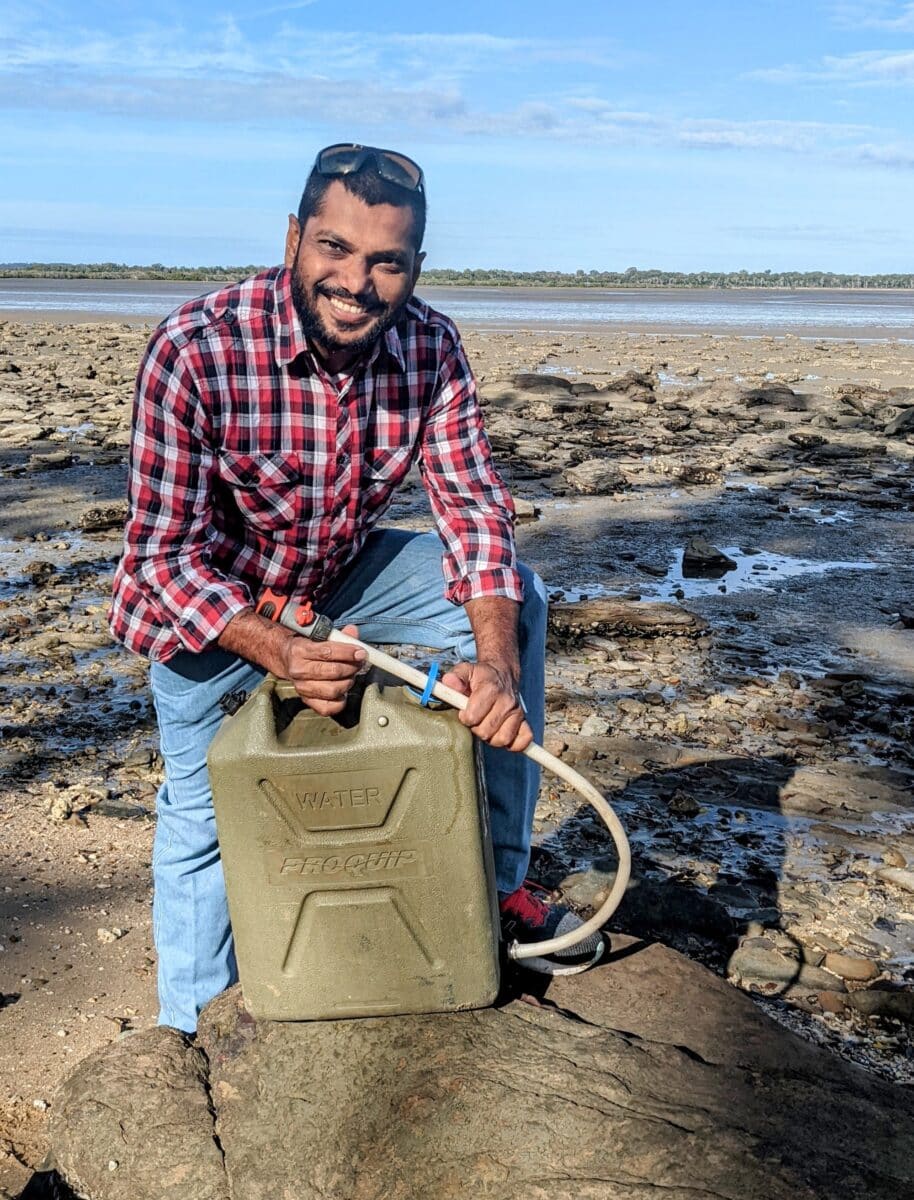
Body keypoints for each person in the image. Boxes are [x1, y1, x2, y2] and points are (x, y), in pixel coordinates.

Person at [110, 143, 602, 1034]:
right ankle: (189, 1037)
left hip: (342, 571)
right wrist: (280, 649)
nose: (356, 283)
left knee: (516, 596)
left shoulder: (431, 346)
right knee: (202, 820)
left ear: (416, 266)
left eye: (387, 262)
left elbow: (473, 512)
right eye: (334, 248)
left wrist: (492, 666)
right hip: (215, 605)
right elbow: (158, 562)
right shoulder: (196, 349)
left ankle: (494, 888)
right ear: (293, 239)